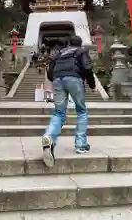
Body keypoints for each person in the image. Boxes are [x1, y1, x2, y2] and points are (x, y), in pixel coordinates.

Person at [41, 35, 95, 167]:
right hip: (74, 79)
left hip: (58, 79)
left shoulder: (60, 52)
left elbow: (50, 70)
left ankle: (49, 136)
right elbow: (88, 68)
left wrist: (55, 79)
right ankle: (80, 144)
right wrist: (92, 85)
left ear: (69, 43)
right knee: (81, 110)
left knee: (59, 112)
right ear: (80, 43)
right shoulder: (81, 51)